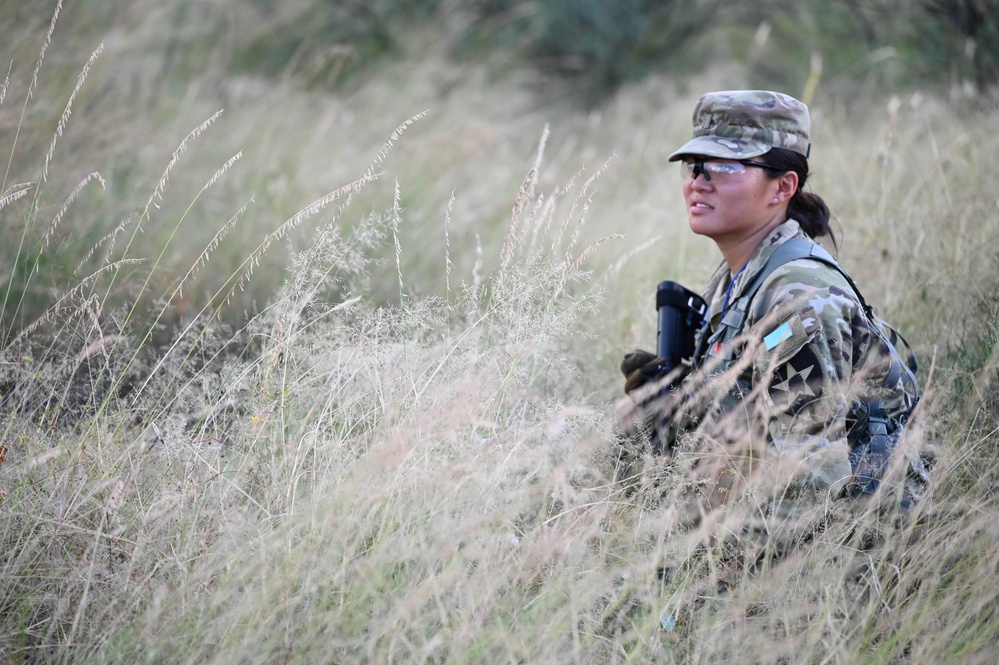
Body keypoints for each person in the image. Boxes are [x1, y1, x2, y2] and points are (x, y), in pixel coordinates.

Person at [616, 90, 923, 514]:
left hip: (842, 533)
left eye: (725, 165)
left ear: (783, 187)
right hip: (754, 496)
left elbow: (811, 473)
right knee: (627, 421)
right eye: (693, 165)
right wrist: (681, 393)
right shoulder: (739, 272)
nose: (698, 181)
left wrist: (680, 544)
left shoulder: (798, 300)